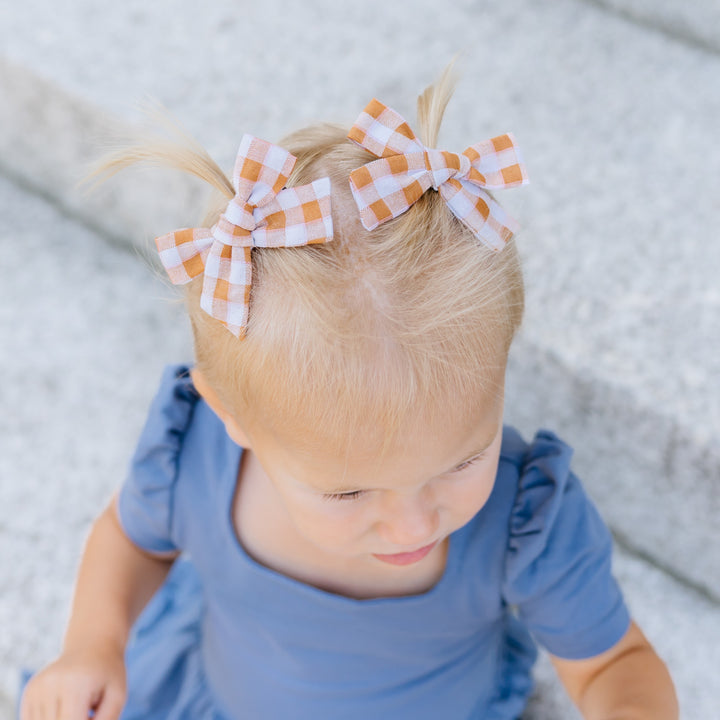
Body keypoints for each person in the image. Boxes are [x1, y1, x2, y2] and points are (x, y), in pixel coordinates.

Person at [20, 67, 678, 719]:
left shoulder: (523, 524)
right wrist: (93, 645)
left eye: (462, 460)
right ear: (232, 415)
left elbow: (614, 663)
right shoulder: (191, 461)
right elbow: (132, 539)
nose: (414, 525)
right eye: (348, 491)